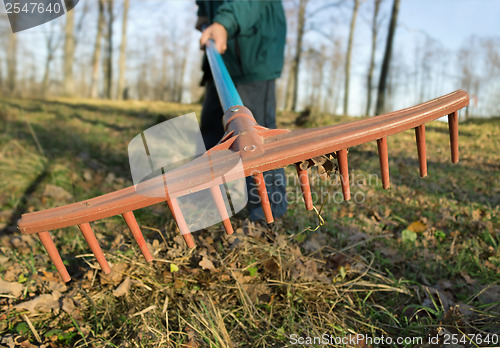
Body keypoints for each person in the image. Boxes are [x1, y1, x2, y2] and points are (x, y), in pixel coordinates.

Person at [196, 0, 287, 222]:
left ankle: (268, 214)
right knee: (210, 132)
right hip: (220, 59)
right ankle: (207, 199)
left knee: (255, 140)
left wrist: (223, 23)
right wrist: (203, 12)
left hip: (252, 54)